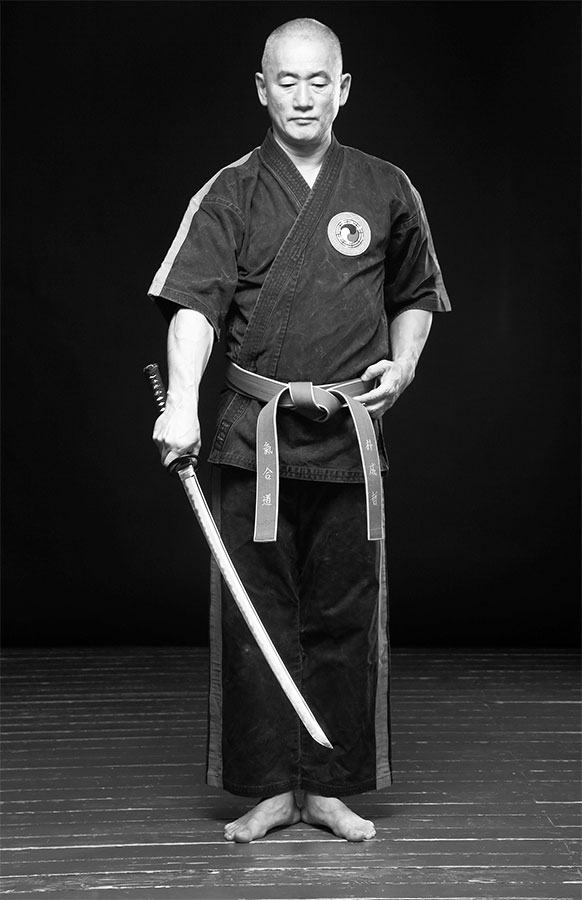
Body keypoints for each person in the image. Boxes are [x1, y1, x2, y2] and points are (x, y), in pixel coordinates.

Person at [148, 18, 450, 843]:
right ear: (262, 88)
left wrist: (405, 364)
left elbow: (415, 292)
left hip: (350, 439)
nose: (304, 97)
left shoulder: (385, 185)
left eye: (320, 81)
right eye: (288, 81)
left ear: (343, 89)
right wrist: (181, 402)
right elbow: (193, 306)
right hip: (255, 438)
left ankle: (330, 789)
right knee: (257, 618)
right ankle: (269, 789)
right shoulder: (231, 190)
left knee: (347, 616)